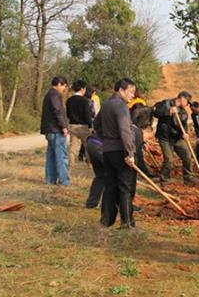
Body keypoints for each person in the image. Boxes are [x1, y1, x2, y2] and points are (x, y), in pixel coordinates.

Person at [86, 106, 156, 209]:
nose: (146, 140)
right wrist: (147, 173)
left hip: (92, 143)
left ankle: (92, 203)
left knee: (101, 175)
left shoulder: (130, 129)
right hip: (101, 147)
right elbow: (138, 158)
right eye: (148, 137)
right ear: (145, 130)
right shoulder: (137, 134)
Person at [93, 78, 138, 229]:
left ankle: (106, 220)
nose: (132, 95)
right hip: (121, 151)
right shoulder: (121, 106)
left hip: (107, 151)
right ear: (121, 90)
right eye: (131, 92)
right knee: (125, 187)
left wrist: (105, 138)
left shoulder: (105, 104)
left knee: (110, 186)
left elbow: (96, 125)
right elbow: (125, 131)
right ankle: (127, 223)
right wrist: (130, 153)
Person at [153, 91, 195, 183]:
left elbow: (183, 125)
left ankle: (188, 177)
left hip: (177, 138)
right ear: (182, 99)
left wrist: (185, 133)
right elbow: (155, 112)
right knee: (169, 159)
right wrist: (168, 111)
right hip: (165, 137)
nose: (187, 105)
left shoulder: (183, 112)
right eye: (187, 102)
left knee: (187, 155)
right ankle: (164, 178)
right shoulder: (166, 103)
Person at [40, 76, 70, 186]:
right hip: (56, 130)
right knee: (61, 156)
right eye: (64, 86)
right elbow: (57, 111)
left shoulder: (49, 94)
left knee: (51, 156)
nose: (64, 89)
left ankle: (50, 180)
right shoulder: (55, 95)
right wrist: (64, 127)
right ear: (59, 84)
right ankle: (64, 181)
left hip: (50, 130)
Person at [66, 79, 93, 166]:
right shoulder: (85, 101)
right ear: (82, 89)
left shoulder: (69, 100)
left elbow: (67, 114)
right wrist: (90, 125)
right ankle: (90, 163)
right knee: (87, 146)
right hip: (83, 126)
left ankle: (71, 163)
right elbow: (87, 115)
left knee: (72, 146)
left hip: (72, 125)